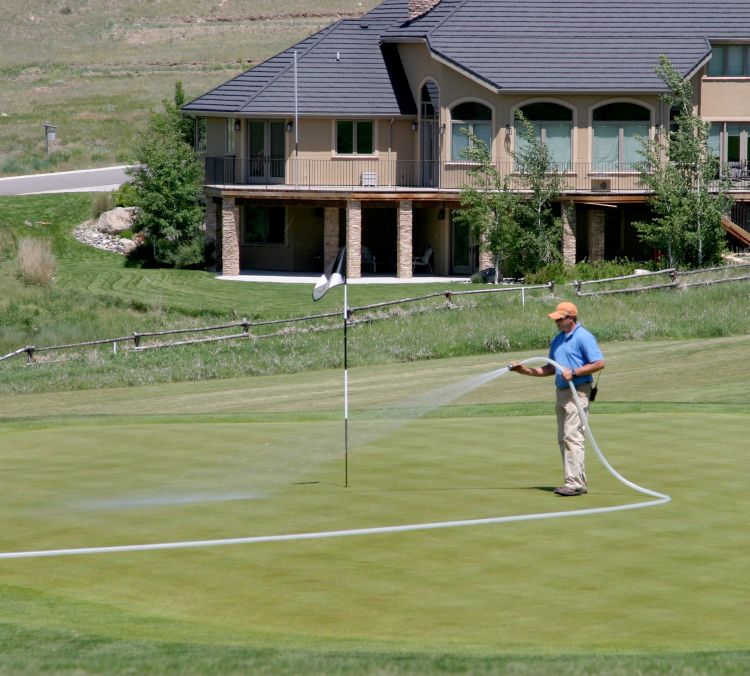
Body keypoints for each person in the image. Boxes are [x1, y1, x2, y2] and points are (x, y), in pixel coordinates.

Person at [507, 301, 605, 496]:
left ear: (571, 318)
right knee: (563, 438)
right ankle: (577, 481)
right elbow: (550, 368)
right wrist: (523, 370)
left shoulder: (584, 337)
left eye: (560, 319)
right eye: (557, 319)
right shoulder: (558, 340)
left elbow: (599, 363)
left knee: (572, 437)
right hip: (561, 392)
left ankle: (575, 483)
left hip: (578, 391)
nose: (557, 322)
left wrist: (575, 372)